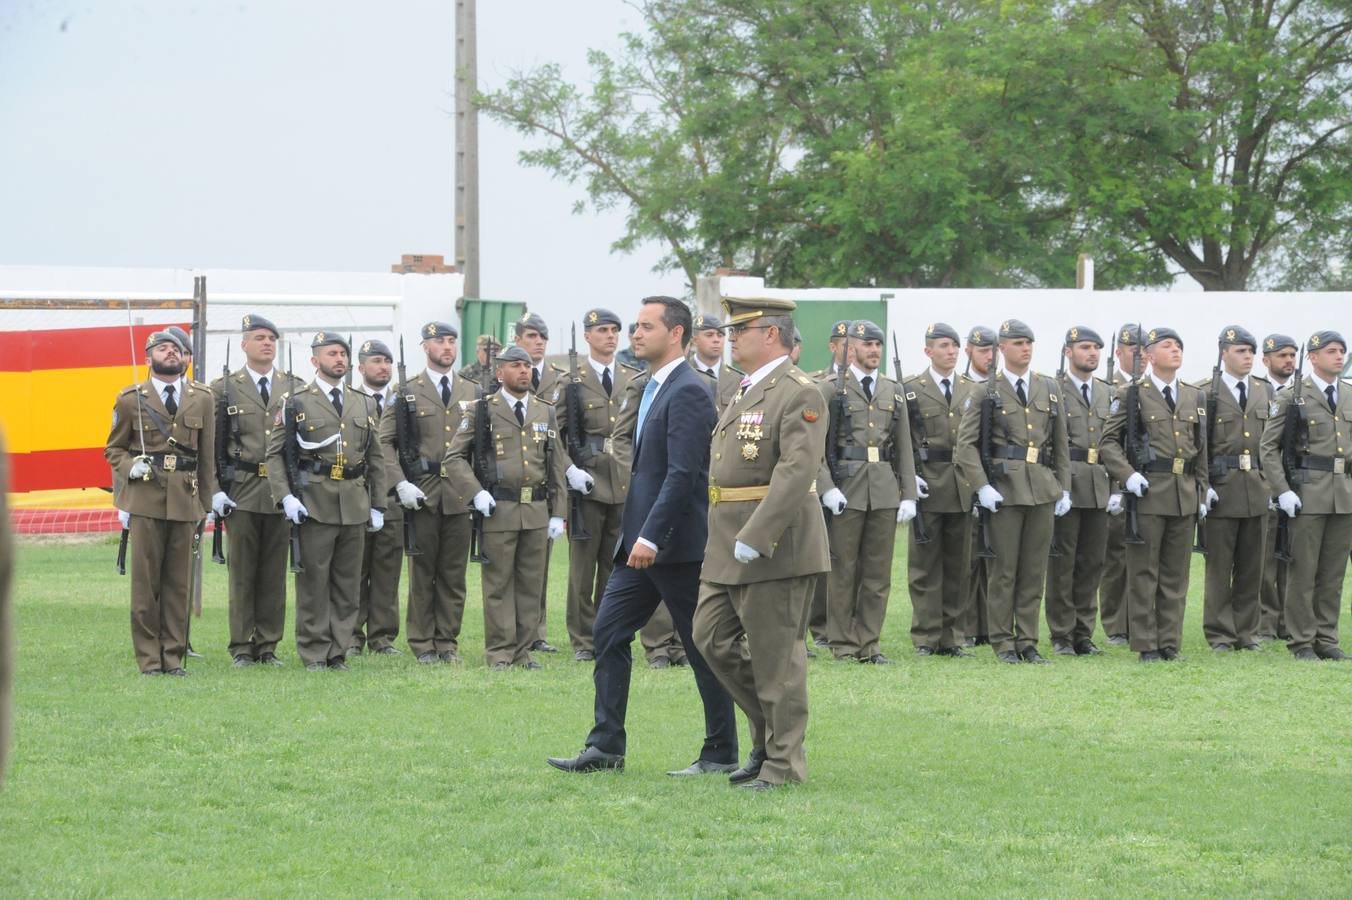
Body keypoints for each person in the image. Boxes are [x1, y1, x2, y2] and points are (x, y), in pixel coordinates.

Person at [547, 294, 738, 776]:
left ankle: (721, 751)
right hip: (638, 544)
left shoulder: (689, 390)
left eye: (645, 326)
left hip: (674, 546)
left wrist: (651, 536)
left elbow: (682, 473)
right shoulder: (650, 387)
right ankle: (605, 746)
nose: (634, 334)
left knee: (702, 647)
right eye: (634, 326)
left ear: (676, 334)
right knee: (608, 633)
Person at [692, 295, 829, 790]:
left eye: (739, 331)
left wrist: (758, 534)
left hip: (775, 543)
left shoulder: (798, 391)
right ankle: (772, 738)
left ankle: (783, 765)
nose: (730, 339)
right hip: (727, 541)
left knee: (778, 660)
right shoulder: (744, 388)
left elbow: (797, 470)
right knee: (711, 638)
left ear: (770, 334)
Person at [265, 332, 387, 671]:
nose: (340, 359)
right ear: (315, 360)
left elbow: (375, 457)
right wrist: (286, 497)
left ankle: (339, 650)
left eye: (343, 354)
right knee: (314, 583)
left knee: (348, 584)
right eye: (332, 354)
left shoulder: (363, 402)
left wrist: (379, 504)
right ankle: (315, 650)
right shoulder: (296, 401)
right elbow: (275, 455)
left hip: (354, 502)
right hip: (314, 501)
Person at [444, 345, 568, 669]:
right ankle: (500, 653)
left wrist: (559, 512)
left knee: (531, 585)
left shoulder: (545, 410)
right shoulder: (482, 409)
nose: (523, 371)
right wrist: (475, 492)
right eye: (515, 365)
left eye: (527, 365)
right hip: (499, 509)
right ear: (500, 373)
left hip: (536, 510)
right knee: (498, 585)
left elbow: (555, 462)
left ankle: (522, 652)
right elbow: (454, 458)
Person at [956, 319, 1071, 664]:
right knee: (1004, 572)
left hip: (1042, 490)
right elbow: (966, 446)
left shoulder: (1049, 388)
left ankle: (1028, 641)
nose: (1026, 348)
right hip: (1005, 491)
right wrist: (983, 486)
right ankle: (1003, 642)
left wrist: (1063, 488)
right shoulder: (984, 391)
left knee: (1034, 571)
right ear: (1001, 349)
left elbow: (1061, 444)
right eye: (1018, 343)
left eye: (1029, 342)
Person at [105, 331, 216, 675]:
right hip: (146, 499)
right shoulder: (130, 399)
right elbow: (114, 449)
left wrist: (206, 505)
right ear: (149, 355)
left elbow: (206, 455)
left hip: (185, 499)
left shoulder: (203, 399)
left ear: (186, 359)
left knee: (178, 585)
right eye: (163, 348)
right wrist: (129, 467)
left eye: (178, 349)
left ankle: (173, 656)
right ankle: (150, 660)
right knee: (145, 586)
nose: (172, 353)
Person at [1100, 327, 1209, 662]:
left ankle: (1169, 643)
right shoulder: (1132, 392)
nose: (1175, 350)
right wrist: (1128, 475)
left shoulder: (1194, 395)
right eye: (1167, 345)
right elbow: (1108, 442)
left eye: (1178, 345)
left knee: (1176, 576)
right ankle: (1147, 644)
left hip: (1184, 493)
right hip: (1148, 491)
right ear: (1147, 355)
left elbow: (1202, 449)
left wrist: (1202, 492)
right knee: (1144, 572)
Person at [816, 319, 918, 663]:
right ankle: (843, 642)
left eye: (877, 345)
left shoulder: (892, 389)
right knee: (842, 571)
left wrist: (908, 493)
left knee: (877, 572)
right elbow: (814, 448)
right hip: (847, 488)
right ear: (851, 347)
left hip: (884, 489)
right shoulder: (830, 388)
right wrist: (826, 487)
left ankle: (869, 643)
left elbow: (904, 446)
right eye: (867, 344)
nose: (874, 350)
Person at [380, 322, 478, 663]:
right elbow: (385, 442)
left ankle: (447, 641)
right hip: (422, 491)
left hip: (460, 493)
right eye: (440, 341)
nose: (447, 347)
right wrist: (399, 483)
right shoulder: (406, 390)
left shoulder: (473, 390)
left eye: (452, 341)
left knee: (454, 574)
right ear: (426, 347)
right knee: (423, 573)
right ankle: (422, 643)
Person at [211, 314, 304, 668]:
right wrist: (215, 491)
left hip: (281, 492)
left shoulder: (293, 386)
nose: (267, 343)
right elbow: (213, 446)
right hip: (243, 490)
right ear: (244, 344)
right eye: (259, 337)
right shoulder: (224, 388)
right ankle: (240, 646)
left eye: (271, 338)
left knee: (273, 574)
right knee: (243, 573)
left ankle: (267, 645)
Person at [1260, 330, 1352, 661]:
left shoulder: (1348, 394)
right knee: (1303, 573)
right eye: (1331, 351)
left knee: (1332, 574)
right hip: (1307, 493)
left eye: (1342, 350)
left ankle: (1326, 638)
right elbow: (1268, 448)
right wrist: (1281, 490)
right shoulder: (1292, 395)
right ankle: (1301, 641)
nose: (1339, 356)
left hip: (1343, 494)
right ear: (1313, 357)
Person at [551, 308, 637, 661]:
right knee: (582, 571)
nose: (611, 336)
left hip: (622, 481)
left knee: (614, 567)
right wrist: (569, 469)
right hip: (586, 482)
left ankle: (608, 632)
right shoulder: (570, 379)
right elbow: (554, 435)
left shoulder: (631, 378)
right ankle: (583, 641)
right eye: (603, 330)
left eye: (615, 330)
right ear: (588, 336)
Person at [902, 323, 975, 657]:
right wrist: (909, 480)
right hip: (928, 482)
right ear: (928, 351)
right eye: (943, 345)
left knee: (959, 567)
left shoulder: (972, 389)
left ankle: (952, 636)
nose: (951, 351)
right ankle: (926, 636)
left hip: (961, 483)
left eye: (954, 346)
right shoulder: (911, 390)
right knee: (924, 566)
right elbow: (901, 442)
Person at [1198, 326, 1272, 653]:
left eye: (1250, 352)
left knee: (1251, 567)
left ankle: (1247, 633)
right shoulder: (1204, 392)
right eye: (1240, 351)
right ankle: (1220, 634)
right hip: (1222, 488)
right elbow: (1198, 445)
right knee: (1219, 568)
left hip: (1256, 488)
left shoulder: (1265, 391)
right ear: (1224, 352)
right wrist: (1204, 486)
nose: (1247, 357)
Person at [1045, 327, 1112, 656]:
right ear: (1068, 351)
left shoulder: (1105, 391)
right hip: (1067, 484)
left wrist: (1116, 486)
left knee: (1092, 563)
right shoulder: (1053, 389)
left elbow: (1113, 443)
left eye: (1097, 348)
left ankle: (1084, 633)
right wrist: (1059, 487)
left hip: (1099, 485)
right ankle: (1061, 633)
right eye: (1085, 347)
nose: (1093, 353)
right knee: (1062, 562)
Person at [349, 339, 403, 656]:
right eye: (376, 361)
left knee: (387, 569)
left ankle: (382, 637)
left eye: (387, 361)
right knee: (355, 569)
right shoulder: (351, 401)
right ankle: (352, 634)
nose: (383, 366)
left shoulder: (401, 402)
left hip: (392, 496)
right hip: (356, 493)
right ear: (361, 367)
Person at [515, 312, 565, 653]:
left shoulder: (561, 380)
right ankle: (512, 632)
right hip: (510, 486)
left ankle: (537, 632)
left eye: (542, 337)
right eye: (532, 336)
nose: (538, 342)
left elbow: (565, 439)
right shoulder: (500, 379)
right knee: (506, 570)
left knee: (539, 568)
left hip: (546, 482)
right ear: (518, 339)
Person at [1099, 324, 1146, 646]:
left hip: (1148, 481)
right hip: (1115, 481)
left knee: (1144, 556)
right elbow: (1105, 441)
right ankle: (1117, 624)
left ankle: (1140, 618)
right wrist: (1116, 486)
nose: (1139, 356)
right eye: (1133, 350)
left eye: (1143, 350)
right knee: (1115, 558)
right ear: (1119, 353)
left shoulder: (1150, 389)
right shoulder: (1107, 389)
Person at [1256, 333, 1298, 642]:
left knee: (1292, 557)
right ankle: (1267, 622)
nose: (1288, 361)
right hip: (1264, 487)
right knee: (1265, 560)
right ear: (1266, 359)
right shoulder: (1258, 393)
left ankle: (1289, 619)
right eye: (1282, 355)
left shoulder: (1302, 394)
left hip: (1297, 486)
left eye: (1292, 355)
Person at [959, 324, 995, 646]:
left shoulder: (1002, 387)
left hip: (999, 480)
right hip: (967, 479)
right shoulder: (962, 386)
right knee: (969, 557)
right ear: (969, 350)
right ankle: (969, 625)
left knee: (994, 555)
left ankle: (989, 624)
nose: (989, 356)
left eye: (993, 350)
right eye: (983, 350)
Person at [688, 311, 741, 414]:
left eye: (720, 335)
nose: (716, 340)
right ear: (694, 340)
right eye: (709, 335)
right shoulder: (683, 373)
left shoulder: (737, 379)